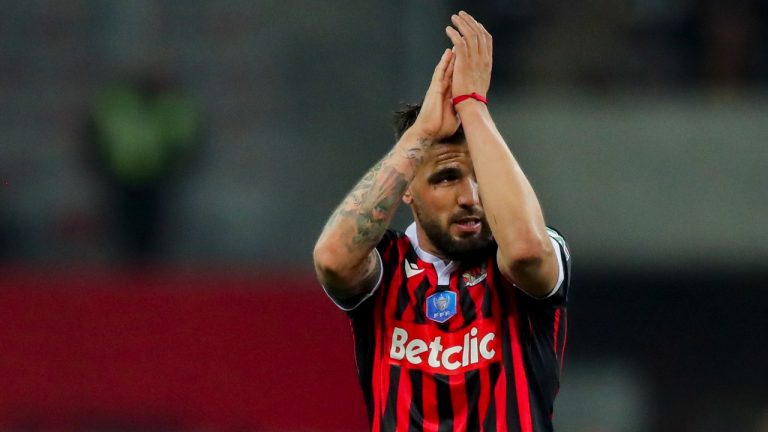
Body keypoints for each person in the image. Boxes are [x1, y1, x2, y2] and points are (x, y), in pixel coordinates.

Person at [314, 11, 571, 432]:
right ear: (408, 190)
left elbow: (525, 251)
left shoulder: (526, 256)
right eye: (448, 177)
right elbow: (332, 259)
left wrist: (473, 106)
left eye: (479, 178)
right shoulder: (387, 267)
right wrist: (421, 134)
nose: (470, 198)